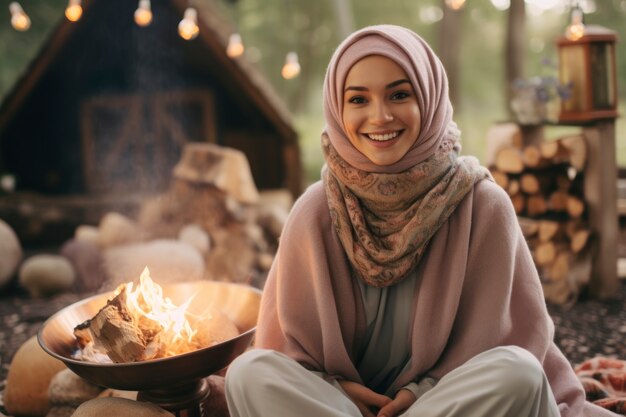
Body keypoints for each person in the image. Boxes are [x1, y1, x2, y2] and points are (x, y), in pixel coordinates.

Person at [224, 25, 618, 417]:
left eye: (399, 94)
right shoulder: (314, 211)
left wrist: (420, 394)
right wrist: (337, 388)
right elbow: (287, 352)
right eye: (358, 99)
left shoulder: (481, 204)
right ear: (337, 109)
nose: (380, 116)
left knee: (519, 373)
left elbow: (511, 340)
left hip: (445, 404)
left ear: (429, 99)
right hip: (341, 408)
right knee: (248, 373)